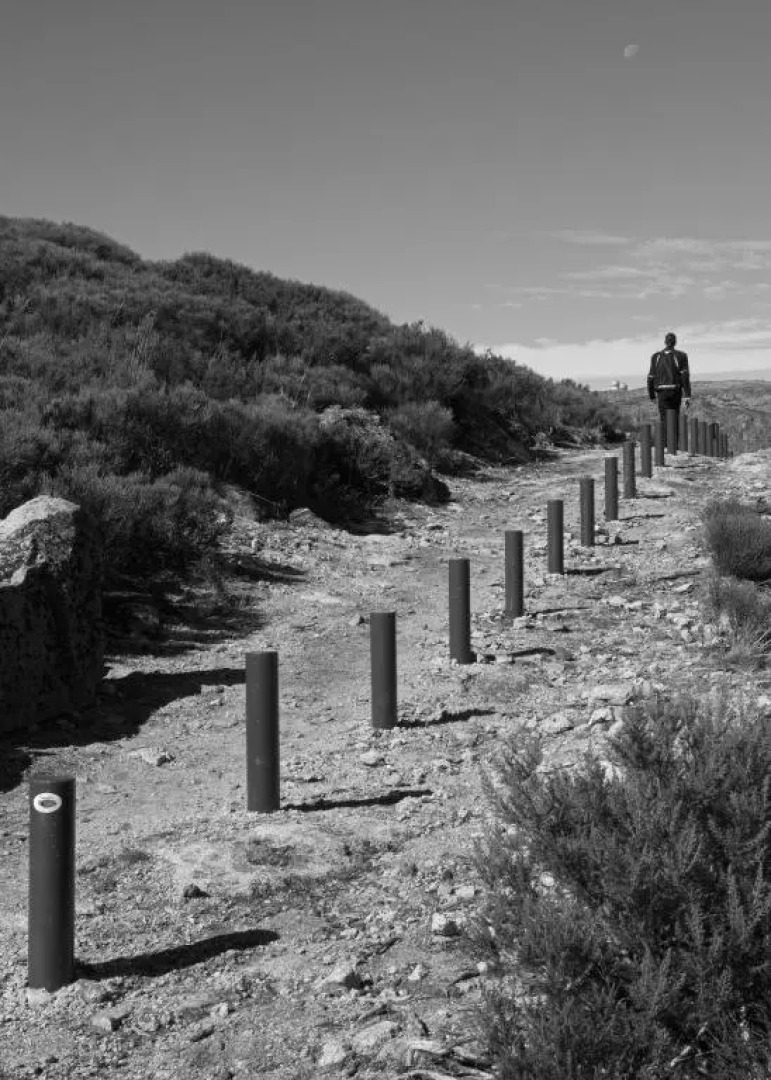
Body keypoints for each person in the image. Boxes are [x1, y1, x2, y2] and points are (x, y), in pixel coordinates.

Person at [647, 332, 691, 434]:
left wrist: (652, 395)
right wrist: (687, 395)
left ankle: (665, 442)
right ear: (675, 342)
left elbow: (651, 377)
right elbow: (685, 376)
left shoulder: (656, 356)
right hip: (675, 391)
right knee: (674, 418)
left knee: (664, 419)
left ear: (665, 342)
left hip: (661, 392)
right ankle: (674, 442)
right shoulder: (681, 355)